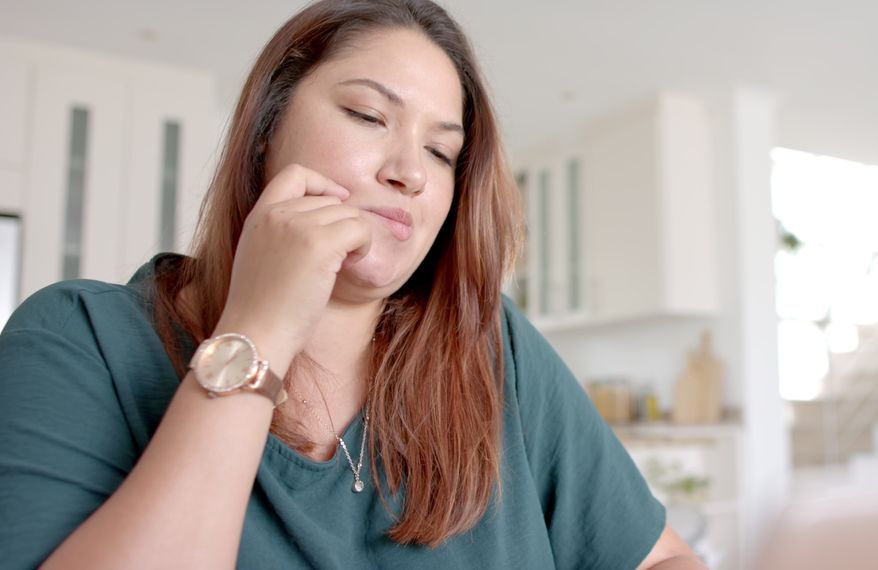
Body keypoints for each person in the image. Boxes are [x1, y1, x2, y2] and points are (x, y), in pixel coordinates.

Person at [0, 0, 703, 567]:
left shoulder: (493, 347)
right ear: (264, 132)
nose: (411, 171)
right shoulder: (80, 341)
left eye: (441, 151)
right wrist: (262, 323)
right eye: (369, 117)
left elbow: (665, 559)